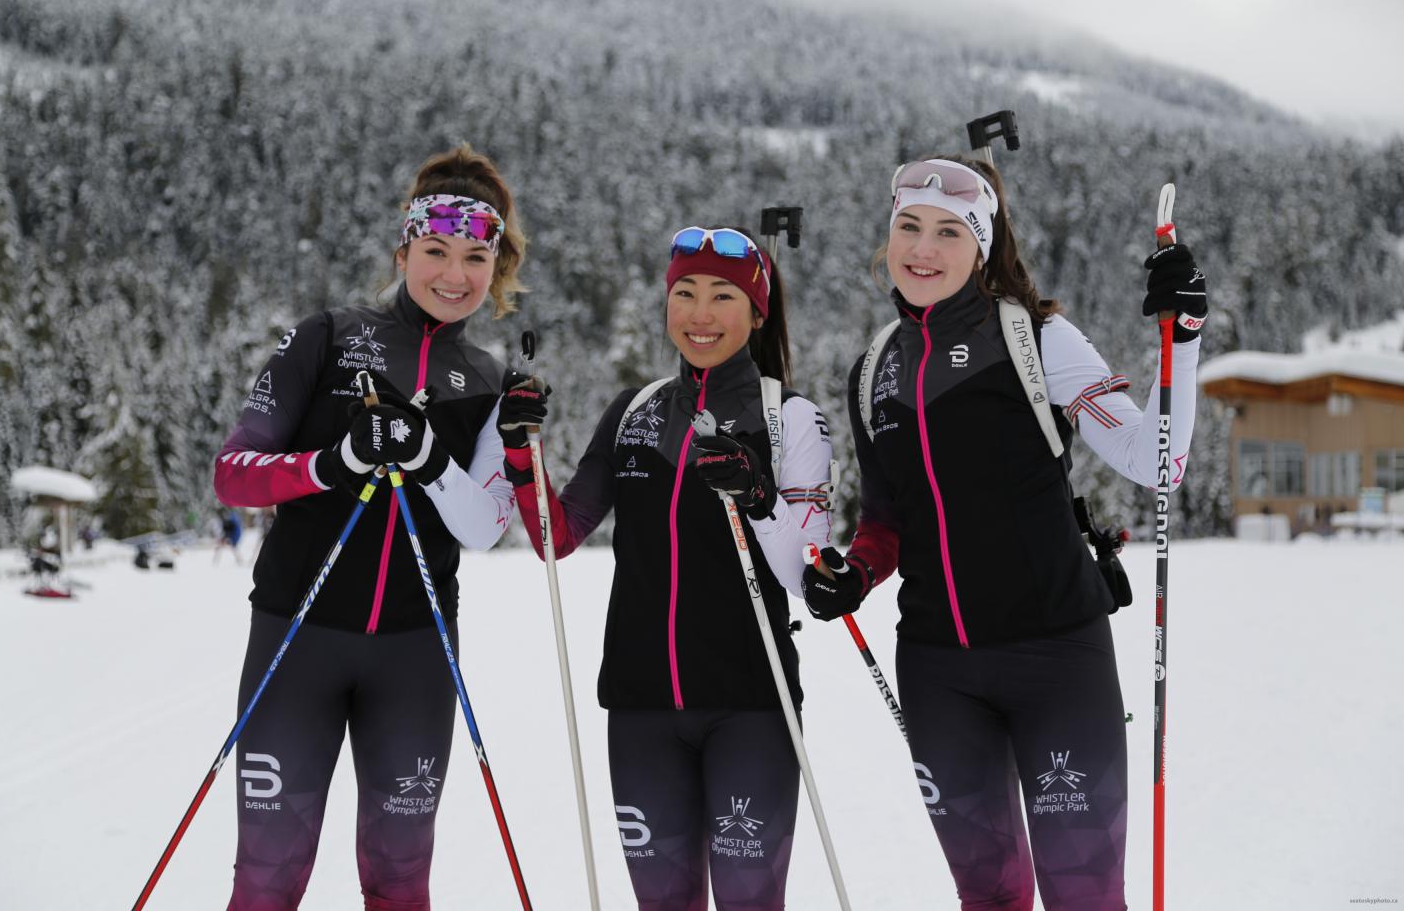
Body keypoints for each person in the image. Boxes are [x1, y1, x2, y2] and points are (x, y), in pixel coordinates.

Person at [801, 156, 1205, 911]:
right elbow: (886, 521)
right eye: (909, 226)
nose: (924, 247)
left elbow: (1158, 460)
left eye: (949, 231)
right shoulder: (873, 372)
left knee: (1083, 895)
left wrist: (1181, 336)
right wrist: (851, 574)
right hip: (937, 674)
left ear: (981, 246)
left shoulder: (1034, 339)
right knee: (989, 897)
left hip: (1056, 659)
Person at [213, 145, 526, 911]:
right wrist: (334, 462)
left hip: (415, 657)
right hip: (298, 637)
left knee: (398, 879)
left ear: (496, 267)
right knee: (269, 875)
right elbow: (233, 471)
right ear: (404, 252)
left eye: (475, 257)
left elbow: (485, 527)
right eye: (436, 252)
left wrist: (430, 460)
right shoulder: (327, 336)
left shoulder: (490, 380)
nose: (454, 274)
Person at [498, 225, 834, 910]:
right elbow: (555, 535)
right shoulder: (635, 413)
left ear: (757, 311)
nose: (700, 314)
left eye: (722, 296)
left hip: (751, 707)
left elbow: (808, 572)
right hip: (641, 707)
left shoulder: (788, 420)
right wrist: (519, 456)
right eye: (684, 294)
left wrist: (759, 495)